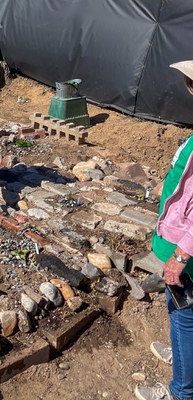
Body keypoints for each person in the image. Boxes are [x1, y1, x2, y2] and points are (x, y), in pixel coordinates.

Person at [135, 60, 193, 400]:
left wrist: (181, 254)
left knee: (184, 311)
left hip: (187, 250)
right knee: (184, 313)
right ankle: (185, 358)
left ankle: (181, 390)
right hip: (182, 240)